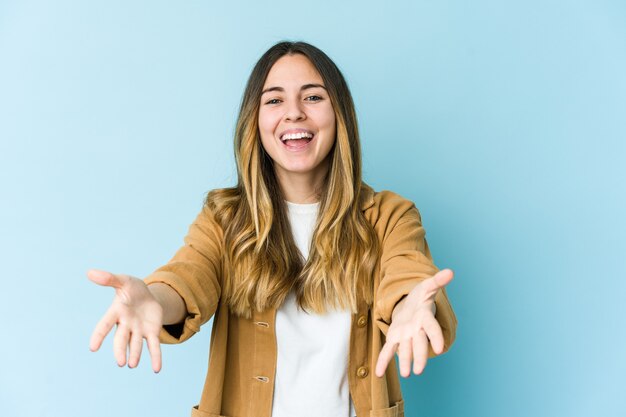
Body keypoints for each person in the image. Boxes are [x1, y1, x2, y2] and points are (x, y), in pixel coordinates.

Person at [88, 40, 457, 417]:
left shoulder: (390, 215)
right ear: (256, 121)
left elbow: (407, 273)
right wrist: (153, 299)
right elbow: (187, 277)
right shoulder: (224, 219)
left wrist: (410, 303)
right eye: (274, 100)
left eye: (313, 97)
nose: (293, 113)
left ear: (339, 114)